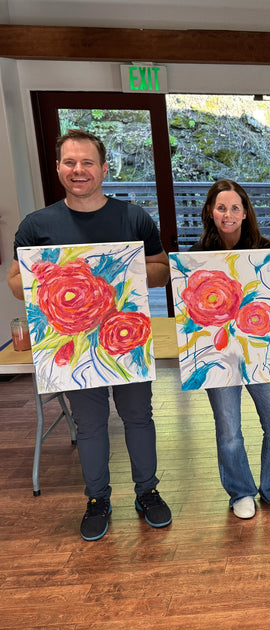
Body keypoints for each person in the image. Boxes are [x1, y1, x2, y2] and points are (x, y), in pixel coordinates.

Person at [7, 129, 172, 541]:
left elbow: (162, 271)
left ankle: (147, 492)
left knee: (138, 418)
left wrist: (119, 269)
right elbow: (14, 282)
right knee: (91, 424)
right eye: (69, 162)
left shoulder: (133, 217)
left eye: (87, 163)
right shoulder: (37, 225)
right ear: (58, 168)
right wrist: (47, 276)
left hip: (127, 339)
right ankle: (97, 498)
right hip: (74, 345)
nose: (78, 170)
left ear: (103, 168)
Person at [190, 179, 270, 519]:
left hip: (258, 351)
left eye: (235, 207)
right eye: (221, 207)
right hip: (217, 353)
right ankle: (240, 491)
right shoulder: (195, 257)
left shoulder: (263, 249)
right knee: (229, 429)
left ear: (245, 211)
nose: (228, 214)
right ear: (210, 210)